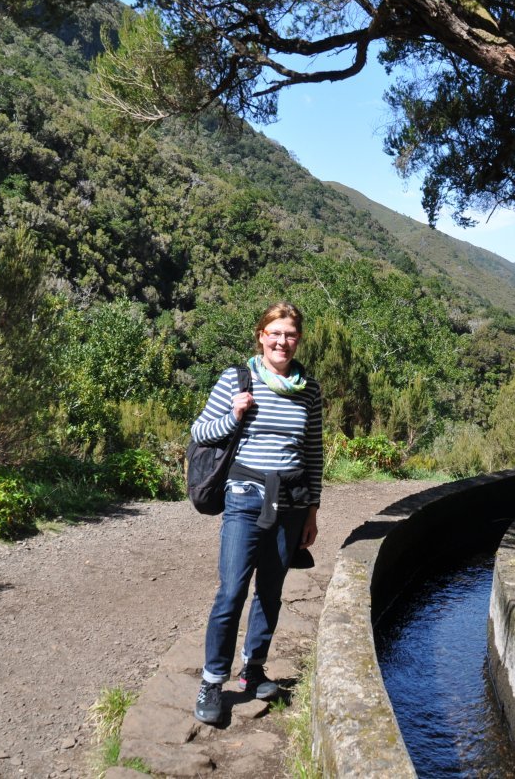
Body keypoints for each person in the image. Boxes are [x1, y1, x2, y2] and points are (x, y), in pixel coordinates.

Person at [190, 302, 323, 725]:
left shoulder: (309, 390)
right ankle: (212, 680)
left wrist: (312, 511)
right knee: (231, 592)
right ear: (261, 336)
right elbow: (199, 432)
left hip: (291, 503)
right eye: (275, 333)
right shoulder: (236, 378)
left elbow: (314, 454)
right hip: (244, 498)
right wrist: (234, 414)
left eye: (290, 335)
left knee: (270, 591)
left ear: (298, 340)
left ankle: (253, 670)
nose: (282, 342)